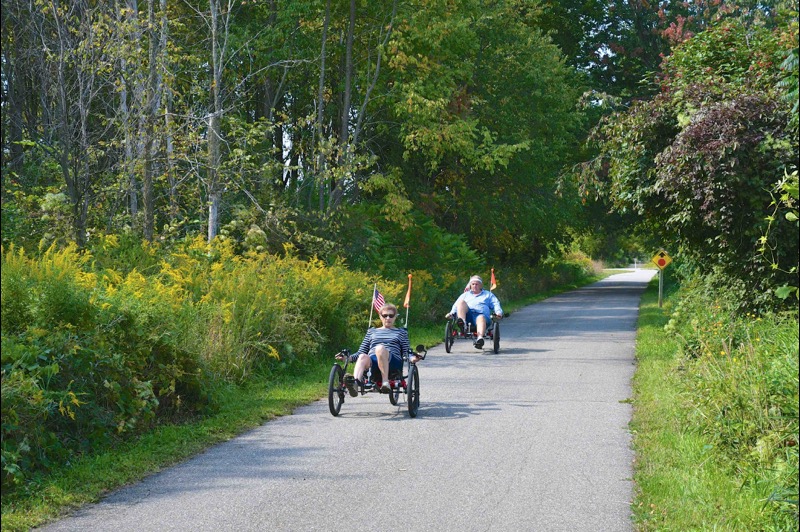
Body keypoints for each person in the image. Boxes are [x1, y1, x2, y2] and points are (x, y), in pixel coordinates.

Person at [341, 303, 414, 396]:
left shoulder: (401, 332)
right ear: (380, 316)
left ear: (395, 316)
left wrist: (412, 358)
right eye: (385, 315)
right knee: (362, 356)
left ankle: (385, 382)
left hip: (392, 362)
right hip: (373, 362)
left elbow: (406, 351)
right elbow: (361, 352)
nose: (388, 318)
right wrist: (347, 358)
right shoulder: (372, 332)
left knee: (380, 348)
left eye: (391, 315)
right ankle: (355, 383)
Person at [446, 275, 503, 349]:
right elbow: (456, 305)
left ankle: (480, 338)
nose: (474, 286)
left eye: (477, 284)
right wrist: (452, 313)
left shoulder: (488, 295)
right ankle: (462, 323)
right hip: (468, 316)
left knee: (481, 317)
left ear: (481, 285)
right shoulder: (465, 295)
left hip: (482, 316)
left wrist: (498, 312)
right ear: (470, 285)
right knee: (461, 302)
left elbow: (496, 304)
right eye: (473, 284)